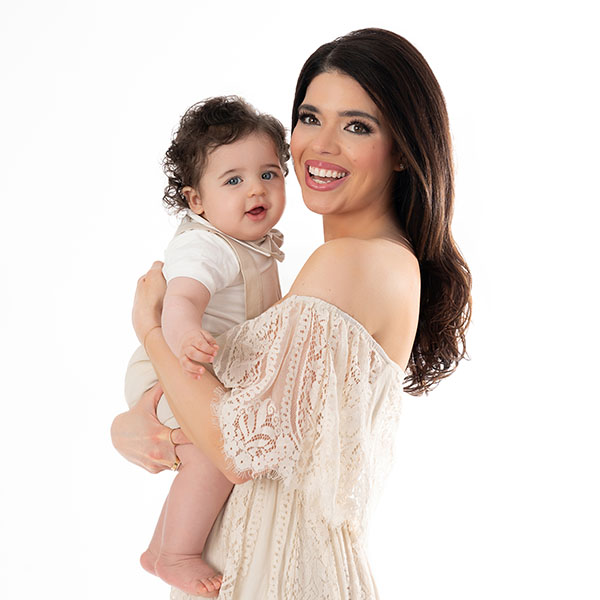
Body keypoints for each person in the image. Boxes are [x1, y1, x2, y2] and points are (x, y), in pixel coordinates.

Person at [112, 27, 472, 599]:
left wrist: (152, 329)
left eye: (357, 125)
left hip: (279, 580)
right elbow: (238, 421)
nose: (321, 145)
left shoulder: (351, 264)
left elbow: (237, 448)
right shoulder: (350, 266)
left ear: (402, 150)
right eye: (310, 117)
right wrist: (132, 427)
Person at [123, 96, 289, 596]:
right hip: (171, 364)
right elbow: (178, 301)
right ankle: (175, 552)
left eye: (270, 173)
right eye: (233, 180)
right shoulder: (206, 245)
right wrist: (185, 335)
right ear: (197, 201)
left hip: (189, 360)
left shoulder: (252, 242)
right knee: (210, 452)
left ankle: (159, 546)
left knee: (207, 448)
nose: (256, 189)